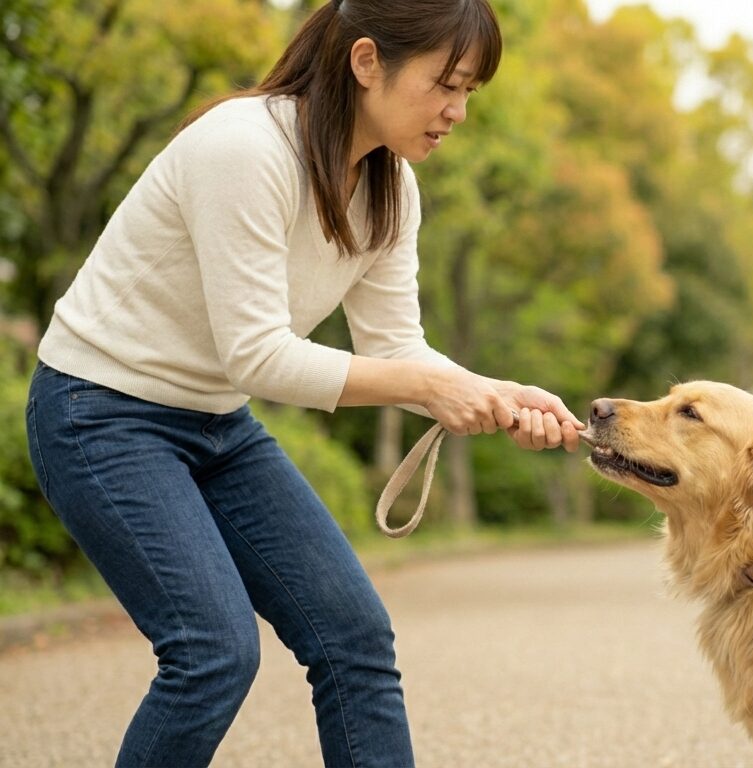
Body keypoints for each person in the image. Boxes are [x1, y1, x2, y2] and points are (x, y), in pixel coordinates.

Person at [23, 0, 581, 765]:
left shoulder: (391, 189)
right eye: (445, 85)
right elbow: (258, 356)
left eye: (470, 93)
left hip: (215, 423)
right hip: (99, 412)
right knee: (212, 652)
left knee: (355, 639)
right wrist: (430, 391)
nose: (457, 111)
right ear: (365, 62)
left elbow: (399, 347)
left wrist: (497, 391)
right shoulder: (245, 149)